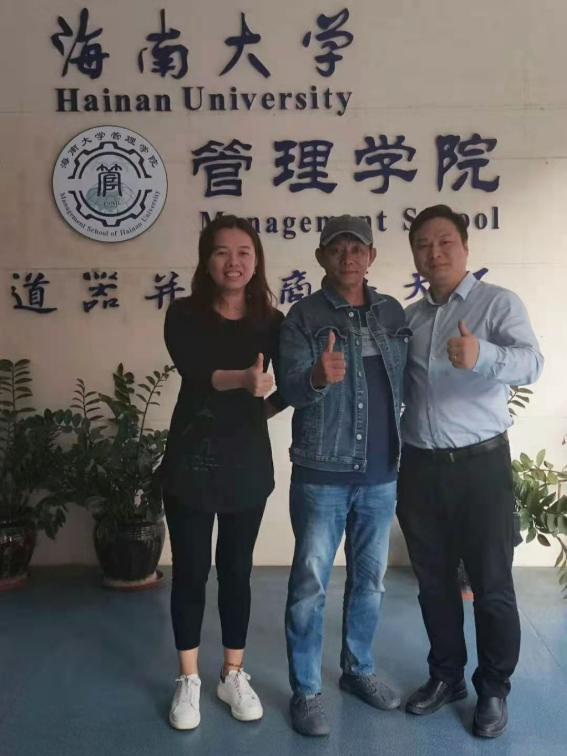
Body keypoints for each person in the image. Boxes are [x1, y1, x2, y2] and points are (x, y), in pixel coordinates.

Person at [398, 204, 543, 738]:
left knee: (492, 584)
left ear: (465, 247)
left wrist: (482, 354)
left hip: (481, 467)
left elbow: (533, 362)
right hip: (420, 468)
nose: (434, 253)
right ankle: (446, 676)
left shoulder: (497, 303)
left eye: (444, 242)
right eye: (423, 245)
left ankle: (494, 688)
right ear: (414, 255)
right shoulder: (410, 320)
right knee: (433, 583)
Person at [278, 215, 409, 736]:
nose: (348, 257)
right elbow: (290, 389)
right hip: (322, 473)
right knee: (310, 584)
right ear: (321, 257)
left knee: (370, 581)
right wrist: (315, 376)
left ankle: (357, 670)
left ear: (371, 256)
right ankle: (307, 691)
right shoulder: (304, 316)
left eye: (358, 248)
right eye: (337, 248)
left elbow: (411, 381)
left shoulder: (392, 312)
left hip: (381, 473)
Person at [160, 215, 286, 730]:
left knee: (236, 570)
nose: (233, 262)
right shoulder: (184, 314)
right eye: (221, 252)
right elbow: (195, 370)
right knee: (190, 571)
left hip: (246, 464)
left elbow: (286, 385)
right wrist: (244, 381)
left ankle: (232, 672)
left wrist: (271, 401)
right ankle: (188, 678)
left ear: (256, 261)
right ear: (206, 261)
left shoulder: (272, 322)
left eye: (244, 252)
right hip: (190, 461)